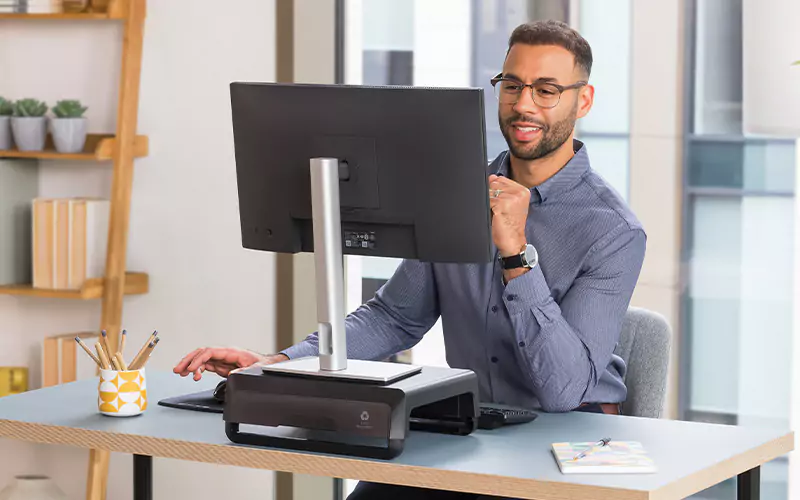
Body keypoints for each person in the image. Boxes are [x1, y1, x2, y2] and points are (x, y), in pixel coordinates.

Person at [174, 19, 646, 500]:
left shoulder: (613, 231)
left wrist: (516, 253)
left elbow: (564, 393)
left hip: (566, 444)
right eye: (512, 85)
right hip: (478, 429)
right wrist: (277, 365)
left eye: (546, 90)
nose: (523, 104)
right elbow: (394, 317)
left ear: (582, 101)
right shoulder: (455, 194)